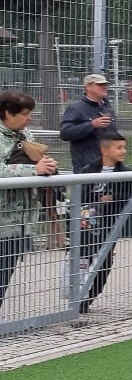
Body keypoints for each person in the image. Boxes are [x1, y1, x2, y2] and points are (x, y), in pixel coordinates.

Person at [0, 91, 57, 310]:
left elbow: (36, 163)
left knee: (4, 278)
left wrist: (47, 166)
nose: (30, 118)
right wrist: (33, 170)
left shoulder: (26, 135)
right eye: (25, 114)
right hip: (3, 222)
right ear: (8, 113)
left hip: (20, 224)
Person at [78, 133, 132, 315]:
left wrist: (113, 197)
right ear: (105, 150)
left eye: (124, 147)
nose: (124, 151)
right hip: (88, 221)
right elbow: (81, 195)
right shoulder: (88, 170)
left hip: (110, 223)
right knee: (84, 257)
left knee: (105, 259)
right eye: (119, 147)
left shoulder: (126, 173)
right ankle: (77, 295)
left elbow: (129, 197)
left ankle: (92, 295)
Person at [59, 73, 118, 173]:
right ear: (88, 87)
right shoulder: (76, 108)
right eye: (99, 84)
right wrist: (91, 125)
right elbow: (65, 133)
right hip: (87, 167)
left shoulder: (108, 108)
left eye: (105, 84)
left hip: (110, 165)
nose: (104, 87)